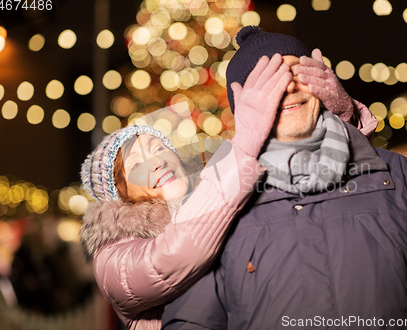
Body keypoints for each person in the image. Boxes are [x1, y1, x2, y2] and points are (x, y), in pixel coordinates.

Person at [161, 26, 407, 329]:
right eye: (269, 81)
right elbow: (192, 321)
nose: (288, 86)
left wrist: (348, 116)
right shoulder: (217, 203)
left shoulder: (401, 176)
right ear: (244, 106)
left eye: (296, 71)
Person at [79, 52, 294, 330]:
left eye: (159, 149)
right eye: (136, 164)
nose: (156, 162)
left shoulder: (217, 199)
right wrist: (244, 143)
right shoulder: (111, 258)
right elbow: (176, 252)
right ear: (121, 194)